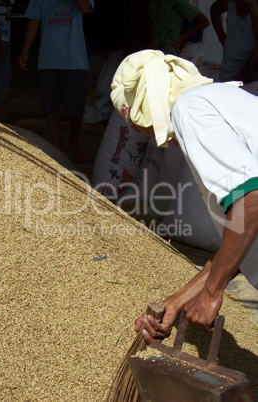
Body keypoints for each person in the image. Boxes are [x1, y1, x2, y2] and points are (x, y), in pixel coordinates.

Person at [110, 49, 258, 342]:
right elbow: (240, 239)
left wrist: (213, 292)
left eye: (139, 125)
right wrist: (177, 300)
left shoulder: (189, 109)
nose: (148, 135)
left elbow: (250, 199)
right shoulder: (215, 102)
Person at [18, 0, 94, 163]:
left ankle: (73, 141)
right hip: (49, 59)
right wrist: (25, 50)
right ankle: (57, 146)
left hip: (75, 60)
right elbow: (33, 21)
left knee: (76, 108)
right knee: (51, 106)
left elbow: (86, 8)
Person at [210, 0, 258, 83]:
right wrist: (223, 39)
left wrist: (252, 5)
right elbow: (214, 10)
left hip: (247, 69)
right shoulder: (231, 2)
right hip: (229, 72)